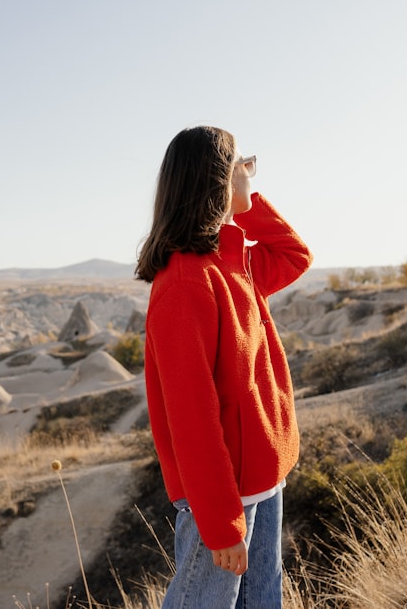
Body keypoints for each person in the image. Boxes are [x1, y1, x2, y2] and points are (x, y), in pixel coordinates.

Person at [136, 126, 313, 608]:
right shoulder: (185, 284)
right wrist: (220, 524)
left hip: (263, 476)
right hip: (224, 494)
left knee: (262, 600)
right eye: (242, 164)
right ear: (218, 179)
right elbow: (190, 418)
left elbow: (295, 256)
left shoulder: (235, 262)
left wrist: (246, 200)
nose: (250, 173)